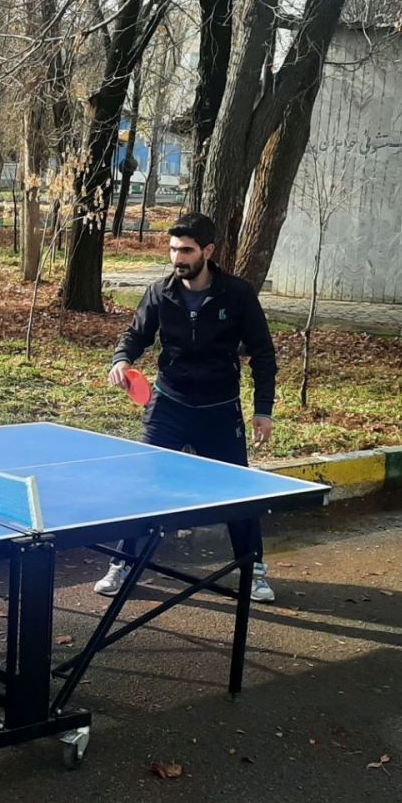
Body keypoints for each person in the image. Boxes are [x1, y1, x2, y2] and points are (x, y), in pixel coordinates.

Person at [98, 212, 280, 602]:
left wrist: (263, 409)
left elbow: (263, 353)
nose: (177, 258)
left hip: (220, 408)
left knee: (238, 492)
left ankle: (254, 571)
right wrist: (121, 359)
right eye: (173, 250)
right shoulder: (160, 292)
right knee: (144, 485)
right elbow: (136, 334)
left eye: (186, 251)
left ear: (207, 251)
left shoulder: (237, 295)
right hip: (170, 404)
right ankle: (123, 563)